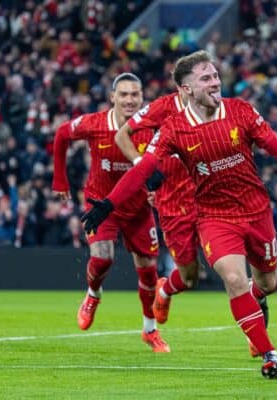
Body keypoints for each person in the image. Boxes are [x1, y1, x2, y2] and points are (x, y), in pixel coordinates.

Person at [81, 50, 277, 378]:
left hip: (257, 212)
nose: (215, 82)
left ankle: (256, 305)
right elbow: (143, 168)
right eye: (206, 79)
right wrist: (108, 203)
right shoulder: (173, 127)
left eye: (215, 76)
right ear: (186, 89)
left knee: (268, 284)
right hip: (214, 217)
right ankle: (270, 354)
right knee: (232, 278)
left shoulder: (241, 111)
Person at [115, 84, 270, 357]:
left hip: (213, 204)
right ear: (184, 86)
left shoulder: (218, 109)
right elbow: (122, 136)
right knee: (189, 278)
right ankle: (165, 289)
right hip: (174, 206)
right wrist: (142, 164)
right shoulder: (163, 109)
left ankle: (257, 337)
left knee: (234, 274)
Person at [52, 72, 170, 353]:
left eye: (135, 95)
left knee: (148, 272)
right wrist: (60, 179)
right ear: (113, 97)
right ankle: (93, 295)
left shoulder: (151, 126)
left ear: (142, 98)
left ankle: (149, 330)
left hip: (138, 208)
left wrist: (159, 188)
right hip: (100, 204)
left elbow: (167, 160)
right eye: (124, 94)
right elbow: (61, 134)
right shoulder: (94, 124)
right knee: (102, 258)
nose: (130, 100)